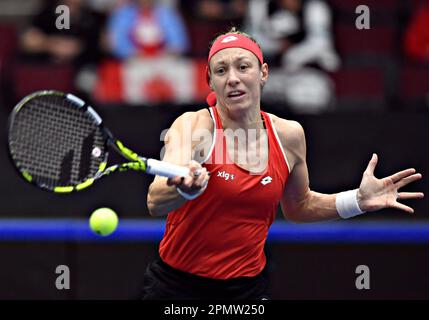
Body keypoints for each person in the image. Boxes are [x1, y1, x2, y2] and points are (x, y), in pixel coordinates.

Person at [144, 28, 424, 300]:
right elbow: (156, 201)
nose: (232, 79)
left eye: (243, 67)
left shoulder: (289, 135)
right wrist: (184, 188)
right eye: (221, 71)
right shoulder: (193, 126)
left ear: (263, 72)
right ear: (210, 81)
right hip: (178, 289)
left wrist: (358, 200)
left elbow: (299, 207)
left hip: (248, 290)